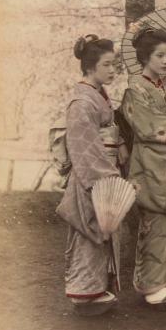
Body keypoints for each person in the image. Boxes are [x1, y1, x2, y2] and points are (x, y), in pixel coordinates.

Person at [56, 34, 127, 315]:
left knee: (102, 230)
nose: (113, 70)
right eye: (107, 65)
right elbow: (84, 147)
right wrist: (106, 177)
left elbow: (107, 131)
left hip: (104, 168)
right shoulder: (81, 102)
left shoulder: (97, 94)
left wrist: (119, 143)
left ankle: (94, 289)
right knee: (90, 230)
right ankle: (83, 293)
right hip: (90, 174)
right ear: (90, 67)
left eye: (114, 64)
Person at [121, 28, 166, 309]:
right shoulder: (135, 88)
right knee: (155, 223)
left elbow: (162, 119)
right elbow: (148, 124)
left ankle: (159, 281)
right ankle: (153, 286)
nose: (165, 61)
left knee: (165, 222)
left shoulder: (160, 87)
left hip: (164, 162)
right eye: (159, 56)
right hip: (149, 163)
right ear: (145, 57)